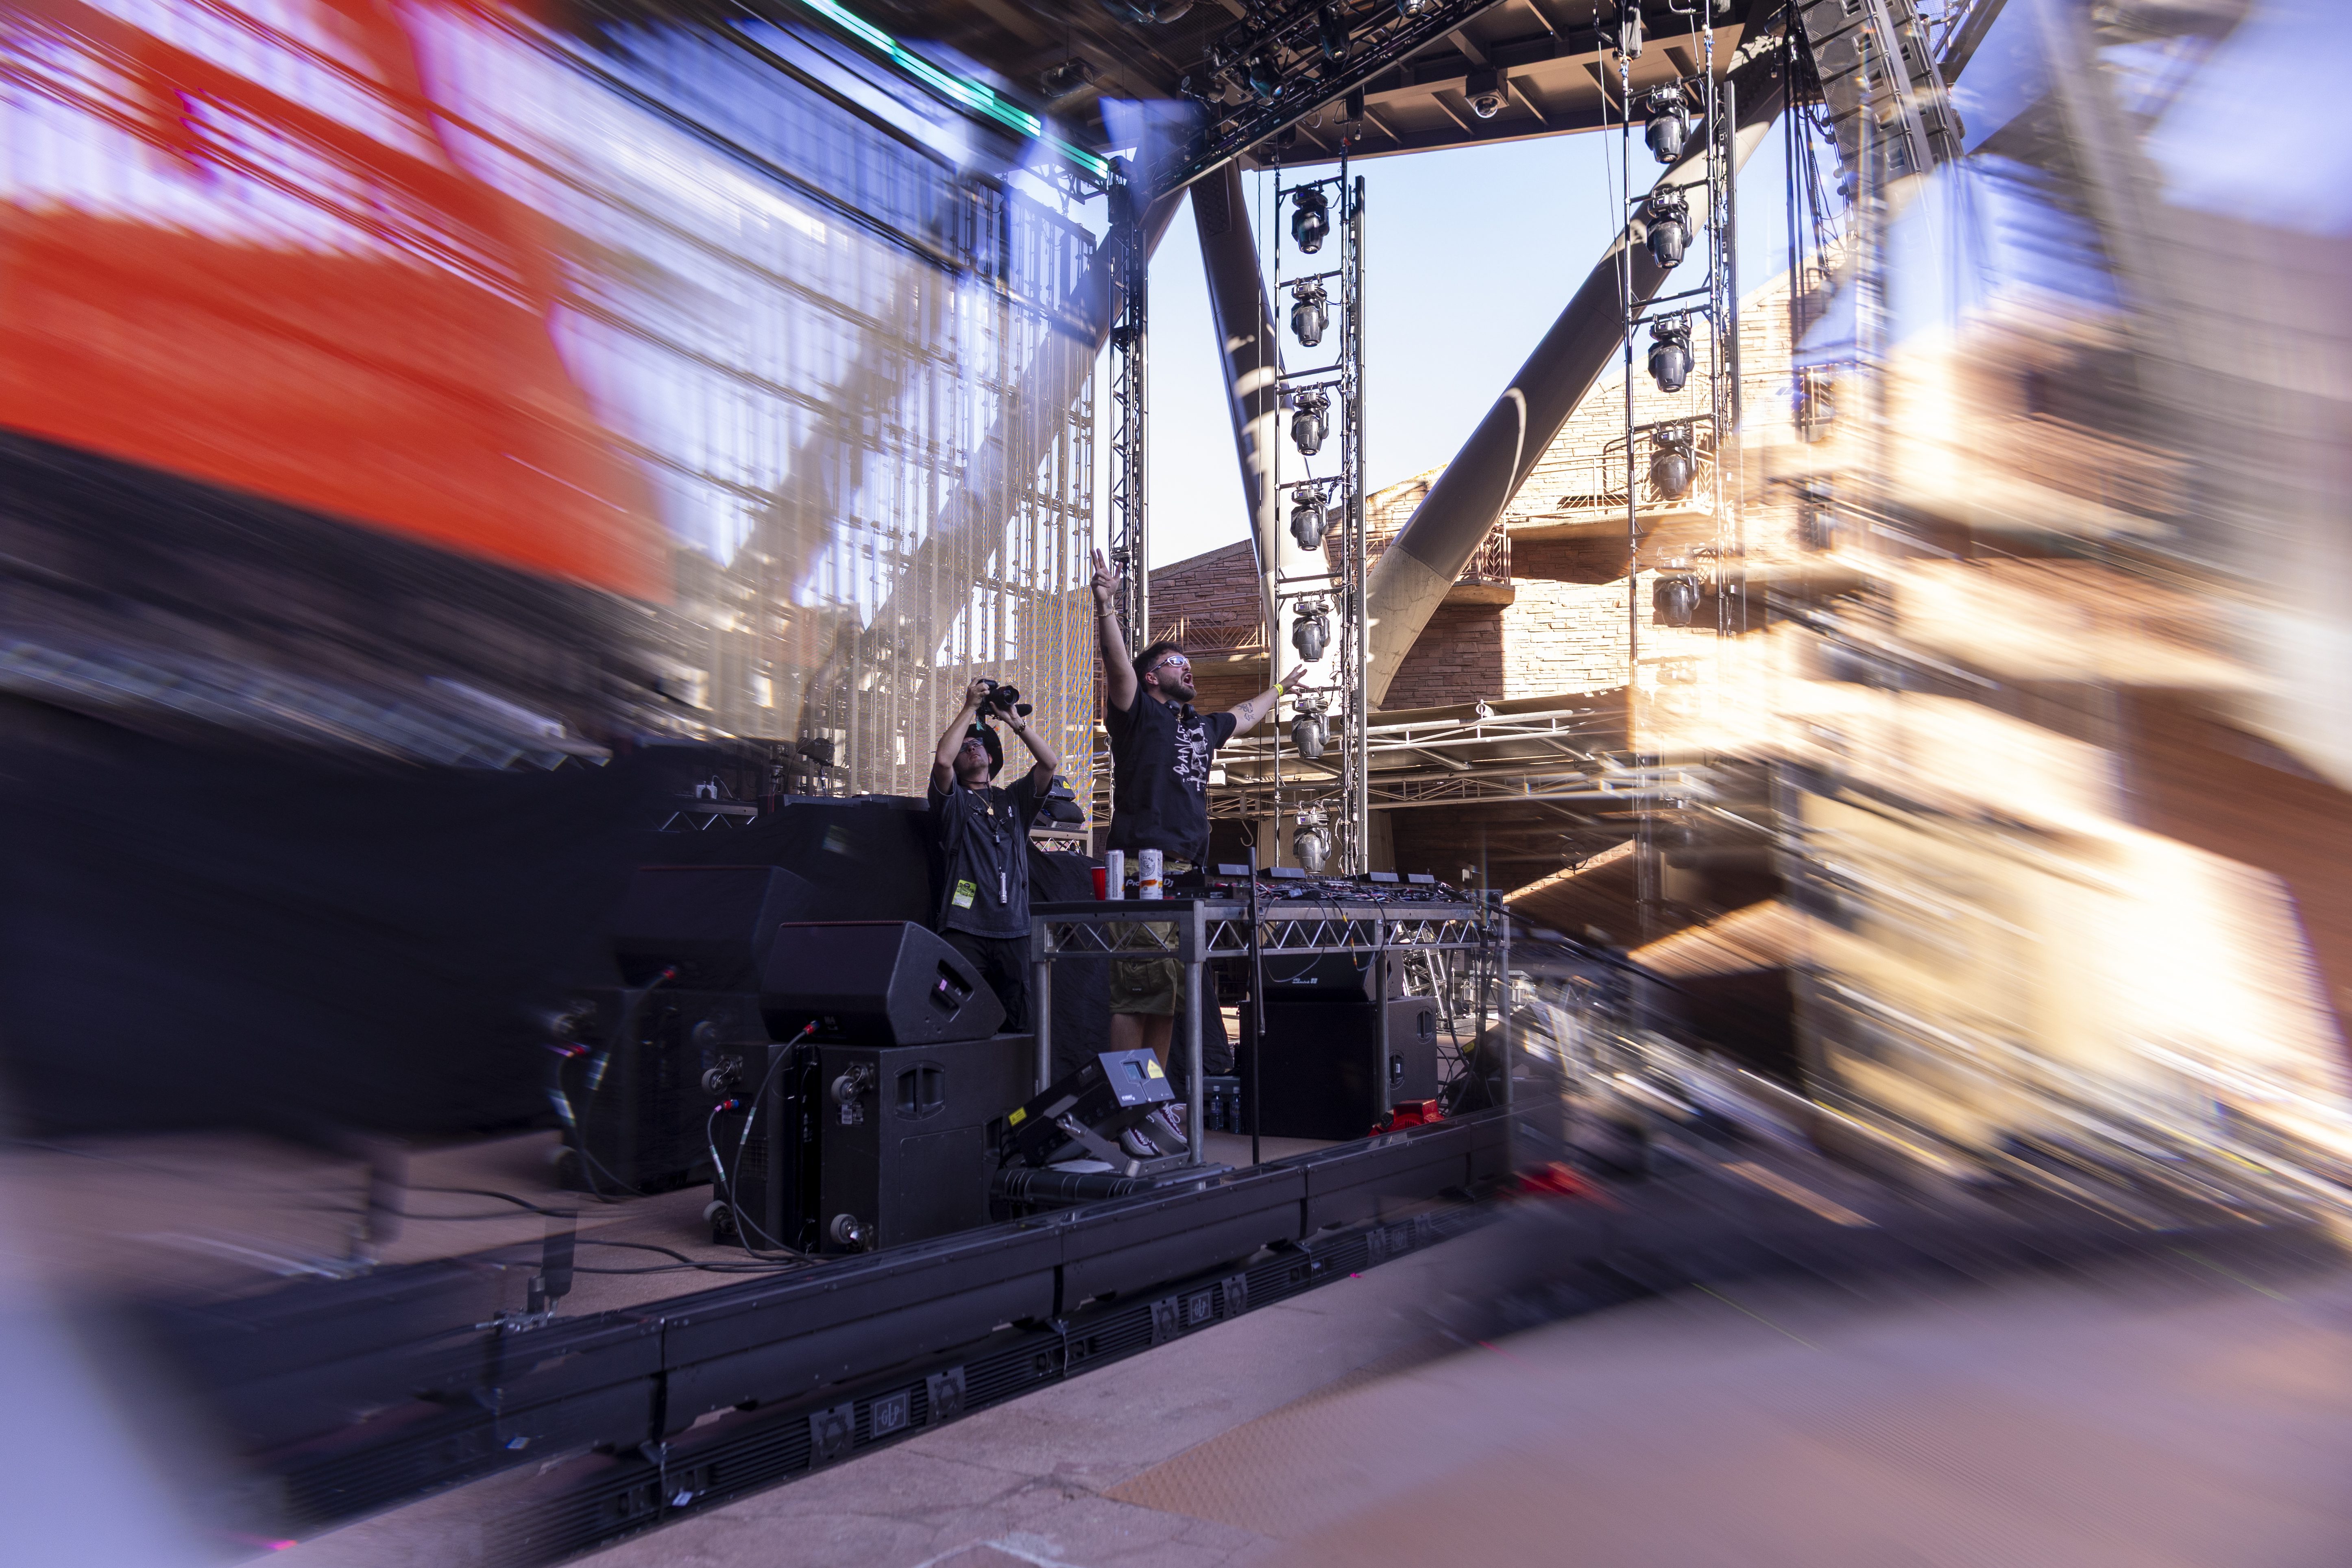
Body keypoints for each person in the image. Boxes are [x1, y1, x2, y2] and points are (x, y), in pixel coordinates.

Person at [1092, 547, 1302, 1144]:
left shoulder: (1196, 728)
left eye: (1188, 663)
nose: (1188, 669)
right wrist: (1106, 607)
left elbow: (1242, 713)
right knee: (1136, 992)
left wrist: (1280, 688)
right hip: (1143, 866)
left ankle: (1149, 1099)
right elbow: (1117, 668)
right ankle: (1125, 1108)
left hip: (1185, 874)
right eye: (1176, 662)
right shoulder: (1136, 714)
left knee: (1164, 997)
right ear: (1153, 676)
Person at [929, 677, 1059, 1031]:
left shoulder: (1012, 798)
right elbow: (941, 762)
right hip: (964, 928)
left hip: (1014, 931)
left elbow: (1049, 763)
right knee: (952, 1020)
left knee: (1017, 1026)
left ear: (990, 756)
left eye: (978, 744)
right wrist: (970, 706)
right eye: (964, 746)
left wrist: (1015, 722)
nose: (971, 748)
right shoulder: (953, 801)